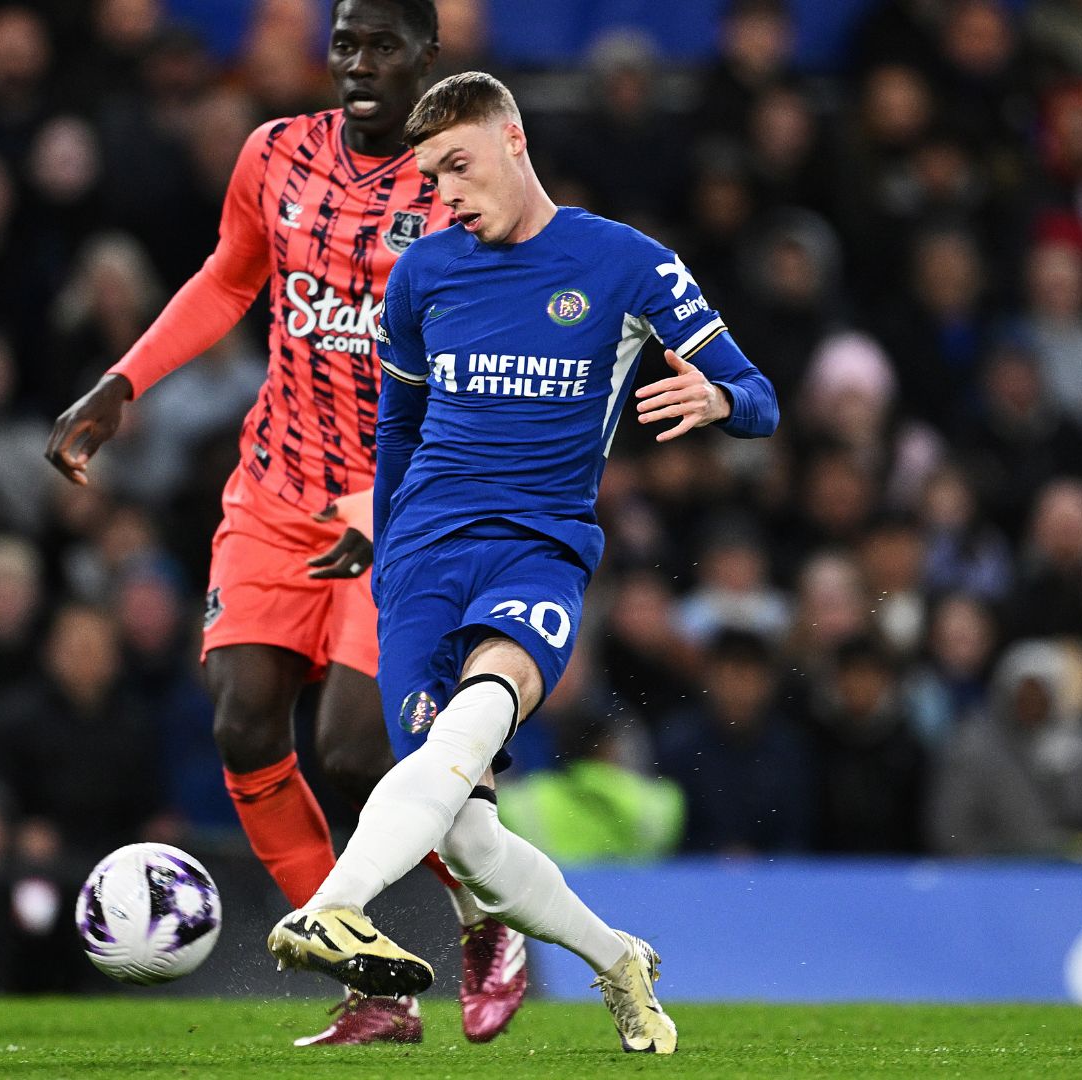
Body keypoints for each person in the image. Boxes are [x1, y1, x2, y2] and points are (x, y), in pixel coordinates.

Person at [266, 71, 778, 1055]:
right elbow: (398, 427)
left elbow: (760, 396)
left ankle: (334, 906)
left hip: (538, 551)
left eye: (459, 166)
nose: (446, 194)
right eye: (431, 177)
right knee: (468, 836)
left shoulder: (628, 264)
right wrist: (389, 546)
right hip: (422, 560)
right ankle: (619, 958)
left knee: (476, 718)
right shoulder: (423, 273)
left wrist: (719, 401)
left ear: (513, 140)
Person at [44, 0, 521, 1046]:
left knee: (356, 752)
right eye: (345, 43)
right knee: (243, 722)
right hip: (275, 490)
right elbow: (228, 278)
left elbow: (491, 375)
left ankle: (493, 914)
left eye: (383, 47)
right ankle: (371, 988)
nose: (359, 64)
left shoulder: (466, 193)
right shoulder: (275, 154)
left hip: (401, 503)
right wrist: (122, 384)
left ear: (429, 59)